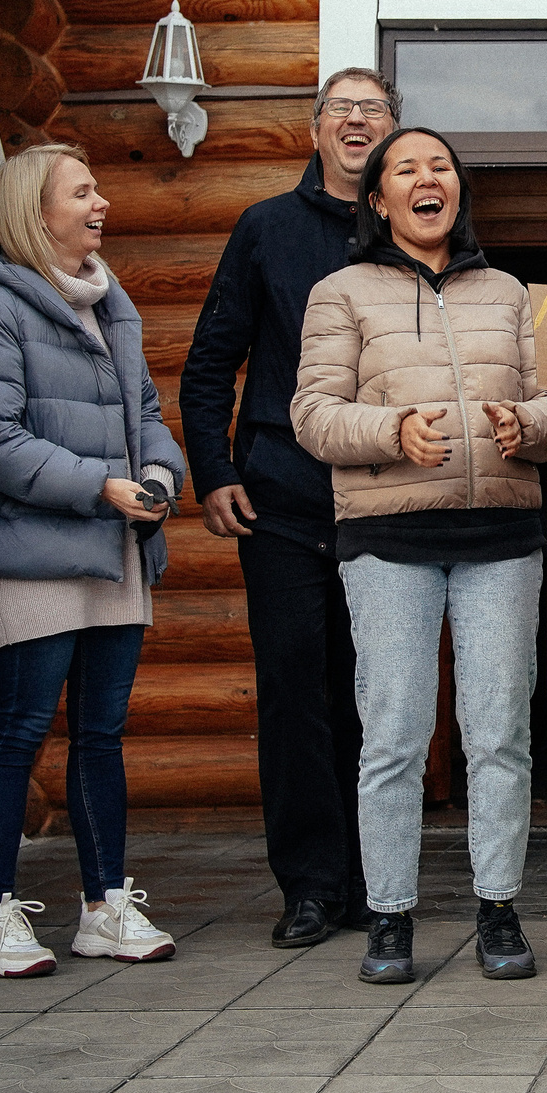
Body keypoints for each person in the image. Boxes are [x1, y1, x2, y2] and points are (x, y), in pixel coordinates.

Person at [291, 127, 547, 986]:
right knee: (396, 734)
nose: (426, 179)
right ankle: (391, 915)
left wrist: (533, 425)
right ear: (378, 200)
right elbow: (314, 413)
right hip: (389, 539)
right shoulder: (341, 292)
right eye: (406, 169)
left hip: (501, 537)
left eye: (440, 167)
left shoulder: (509, 289)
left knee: (499, 733)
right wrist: (391, 431)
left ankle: (498, 907)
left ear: (457, 192)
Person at [0, 145, 184, 978]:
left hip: (112, 545)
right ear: (31, 211)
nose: (101, 201)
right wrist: (102, 485)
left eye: (98, 188)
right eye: (81, 191)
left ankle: (102, 906)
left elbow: (147, 410)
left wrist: (158, 473)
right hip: (29, 555)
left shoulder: (110, 302)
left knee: (100, 733)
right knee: (18, 728)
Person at [179, 71, 398, 947]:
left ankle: (377, 878)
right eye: (338, 108)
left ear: (391, 132)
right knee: (294, 689)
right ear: (314, 132)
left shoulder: (413, 227)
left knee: (376, 693)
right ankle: (310, 885)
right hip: (281, 495)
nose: (354, 119)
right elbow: (208, 363)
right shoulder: (265, 228)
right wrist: (215, 470)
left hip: (384, 498)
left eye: (371, 109)